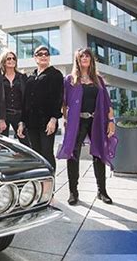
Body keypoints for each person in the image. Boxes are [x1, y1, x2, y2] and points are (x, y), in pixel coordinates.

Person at [57, 47, 117, 206]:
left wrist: (111, 121)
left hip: (96, 121)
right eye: (81, 56)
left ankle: (102, 191)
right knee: (73, 154)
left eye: (87, 56)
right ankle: (73, 192)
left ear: (91, 59)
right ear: (77, 59)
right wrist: (66, 119)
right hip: (77, 122)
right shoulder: (70, 80)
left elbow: (107, 103)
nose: (84, 58)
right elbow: (63, 102)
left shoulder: (98, 80)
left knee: (99, 154)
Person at [17, 45, 63, 171]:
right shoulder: (31, 76)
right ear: (35, 57)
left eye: (46, 54)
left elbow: (58, 98)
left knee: (47, 153)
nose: (43, 56)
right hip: (31, 123)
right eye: (40, 54)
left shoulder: (56, 74)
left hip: (47, 123)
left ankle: (50, 186)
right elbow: (25, 102)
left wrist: (54, 119)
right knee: (36, 154)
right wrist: (22, 122)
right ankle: (39, 186)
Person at [0, 49, 29, 146]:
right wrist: (0, 119)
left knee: (27, 144)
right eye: (8, 58)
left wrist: (23, 120)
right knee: (3, 146)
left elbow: (26, 100)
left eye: (13, 58)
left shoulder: (22, 77)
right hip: (4, 115)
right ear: (4, 61)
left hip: (19, 115)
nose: (11, 60)